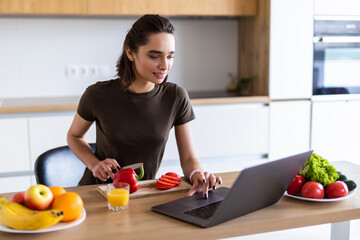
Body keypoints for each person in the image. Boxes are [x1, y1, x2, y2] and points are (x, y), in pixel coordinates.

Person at [67, 14, 221, 198]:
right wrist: (94, 164)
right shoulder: (97, 95)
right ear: (130, 53)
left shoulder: (176, 97)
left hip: (143, 193)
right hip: (99, 194)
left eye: (170, 56)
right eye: (155, 56)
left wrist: (198, 175)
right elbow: (74, 136)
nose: (165, 65)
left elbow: (188, 159)